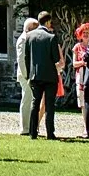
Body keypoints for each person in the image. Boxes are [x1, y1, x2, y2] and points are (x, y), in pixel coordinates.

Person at [24, 11, 61, 140]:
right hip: (50, 76)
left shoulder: (29, 36)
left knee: (35, 103)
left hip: (35, 75)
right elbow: (56, 58)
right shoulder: (51, 37)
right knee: (49, 105)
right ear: (48, 22)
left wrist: (29, 74)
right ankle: (50, 133)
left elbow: (26, 57)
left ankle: (32, 132)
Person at [14, 17, 39, 136]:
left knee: (30, 100)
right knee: (27, 100)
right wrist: (26, 75)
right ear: (29, 29)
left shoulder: (28, 38)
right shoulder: (23, 39)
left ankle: (30, 126)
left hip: (30, 75)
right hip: (25, 75)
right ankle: (25, 128)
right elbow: (21, 59)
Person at [71, 22, 89, 117]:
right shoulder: (77, 47)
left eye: (88, 32)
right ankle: (86, 123)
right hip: (81, 77)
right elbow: (74, 63)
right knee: (82, 101)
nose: (86, 34)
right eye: (84, 32)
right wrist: (83, 63)